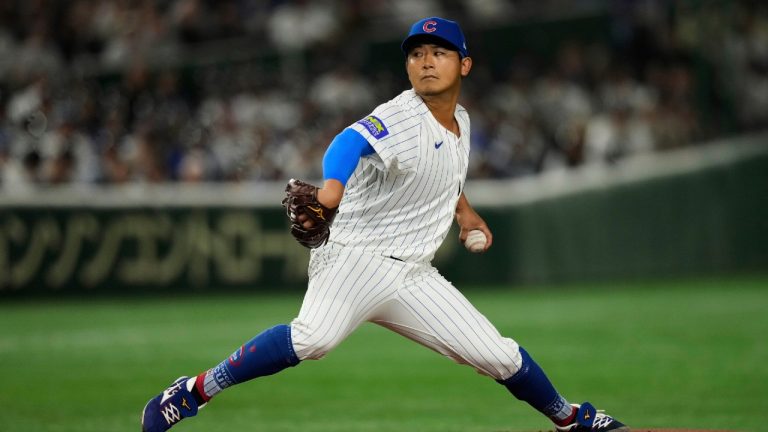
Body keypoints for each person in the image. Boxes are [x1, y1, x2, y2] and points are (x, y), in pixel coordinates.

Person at [141, 17, 629, 432]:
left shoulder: (460, 119)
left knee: (499, 356)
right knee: (313, 339)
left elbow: (440, 174)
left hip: (413, 273)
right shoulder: (402, 116)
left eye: (440, 52)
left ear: (465, 65)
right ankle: (196, 390)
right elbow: (346, 143)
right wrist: (331, 190)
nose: (426, 61)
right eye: (417, 53)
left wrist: (464, 211)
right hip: (354, 255)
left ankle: (573, 420)